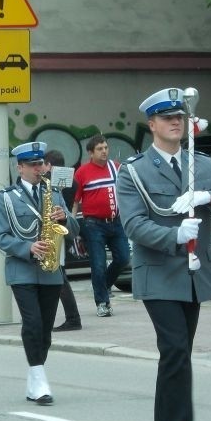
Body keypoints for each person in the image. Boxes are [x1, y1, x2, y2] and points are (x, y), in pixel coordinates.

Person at [117, 88, 211, 421]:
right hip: (159, 274)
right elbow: (133, 224)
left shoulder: (203, 165)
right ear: (152, 125)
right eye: (166, 118)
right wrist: (174, 236)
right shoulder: (134, 171)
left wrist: (208, 197)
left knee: (176, 354)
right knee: (176, 349)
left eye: (179, 117)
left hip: (194, 276)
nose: (175, 123)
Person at [0, 142, 79, 405]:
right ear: (19, 167)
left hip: (51, 271)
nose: (39, 169)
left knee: (46, 329)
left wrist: (65, 218)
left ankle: (34, 374)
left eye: (41, 164)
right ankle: (39, 376)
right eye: (32, 165)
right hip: (22, 270)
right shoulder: (6, 197)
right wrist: (27, 247)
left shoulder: (54, 192)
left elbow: (74, 230)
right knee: (32, 323)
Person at [71, 134, 130, 317]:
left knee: (123, 258)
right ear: (91, 152)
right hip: (93, 224)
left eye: (106, 147)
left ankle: (103, 286)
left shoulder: (116, 167)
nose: (104, 151)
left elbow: (127, 192)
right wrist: (71, 226)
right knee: (98, 264)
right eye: (100, 149)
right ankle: (102, 302)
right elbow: (75, 201)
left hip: (116, 221)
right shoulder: (82, 172)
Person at [44, 150, 83, 332]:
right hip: (63, 230)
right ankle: (71, 317)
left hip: (58, 232)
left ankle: (73, 318)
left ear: (49, 165)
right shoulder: (72, 182)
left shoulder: (49, 185)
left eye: (43, 164)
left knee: (59, 276)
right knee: (59, 275)